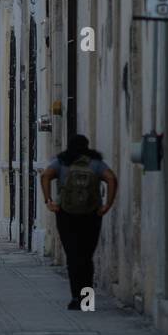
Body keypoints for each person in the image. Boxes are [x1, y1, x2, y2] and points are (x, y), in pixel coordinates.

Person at [41, 133, 117, 310]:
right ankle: (87, 301)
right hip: (91, 216)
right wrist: (107, 205)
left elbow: (45, 175)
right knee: (86, 257)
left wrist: (49, 201)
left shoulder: (62, 161)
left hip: (66, 215)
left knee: (73, 257)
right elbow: (111, 179)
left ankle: (76, 297)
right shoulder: (95, 162)